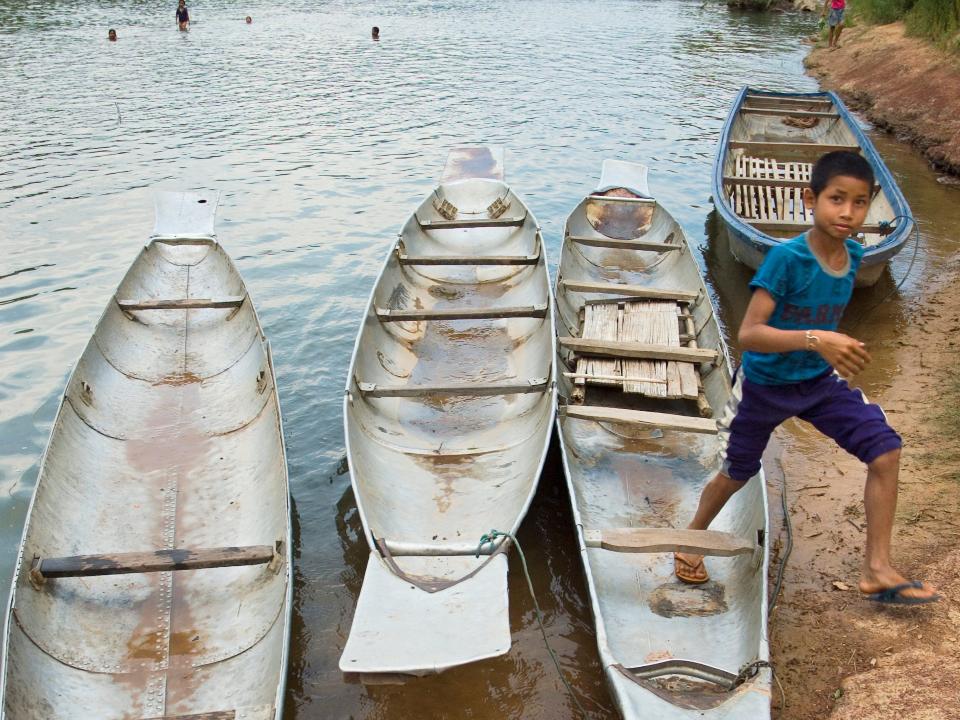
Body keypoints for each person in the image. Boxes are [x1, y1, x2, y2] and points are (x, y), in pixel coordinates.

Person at [673, 150, 941, 605]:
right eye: (837, 199)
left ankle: (877, 567)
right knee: (737, 472)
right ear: (809, 199)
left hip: (818, 385)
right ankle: (691, 539)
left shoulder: (854, 255)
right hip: (763, 388)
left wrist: (837, 348)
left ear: (870, 205)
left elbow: (823, 315)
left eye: (859, 203)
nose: (847, 212)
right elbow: (750, 334)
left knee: (885, 451)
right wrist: (819, 339)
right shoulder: (785, 260)